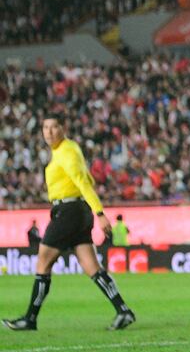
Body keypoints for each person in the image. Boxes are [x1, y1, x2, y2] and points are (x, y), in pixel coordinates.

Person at [3, 113, 135, 331]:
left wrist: (100, 213)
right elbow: (88, 178)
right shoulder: (65, 150)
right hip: (76, 211)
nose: (49, 132)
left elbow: (83, 182)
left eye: (54, 127)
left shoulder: (66, 151)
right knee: (91, 266)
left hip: (69, 210)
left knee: (43, 262)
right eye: (45, 127)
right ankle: (123, 311)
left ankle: (30, 318)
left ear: (63, 128)